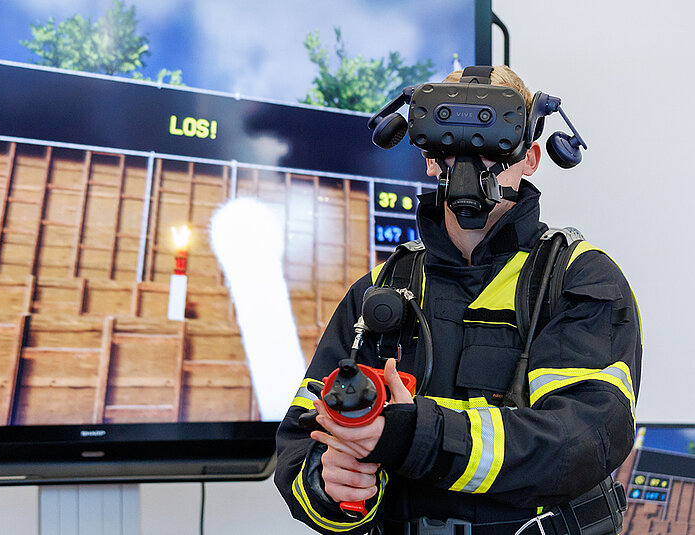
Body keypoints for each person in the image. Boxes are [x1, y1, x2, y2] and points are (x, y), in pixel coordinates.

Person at [274, 66, 642, 535]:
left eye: (492, 143)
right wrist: (331, 482)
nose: (469, 163)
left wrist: (415, 437)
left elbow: (581, 440)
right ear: (429, 157)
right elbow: (304, 436)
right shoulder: (377, 292)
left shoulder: (578, 279)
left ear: (530, 157)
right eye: (450, 143)